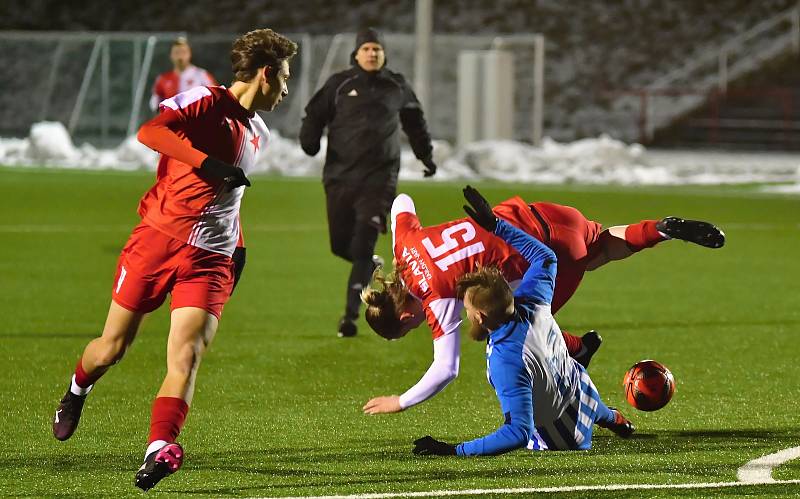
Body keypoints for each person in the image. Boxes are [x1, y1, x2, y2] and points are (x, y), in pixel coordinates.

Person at [51, 29, 297, 491]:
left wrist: (237, 249)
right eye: (284, 78)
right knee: (111, 348)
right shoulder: (205, 100)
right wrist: (206, 161)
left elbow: (228, 202)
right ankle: (77, 388)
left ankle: (157, 449)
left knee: (186, 355)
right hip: (158, 241)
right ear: (265, 74)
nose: (286, 89)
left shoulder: (258, 133)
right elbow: (151, 132)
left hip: (211, 259)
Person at [361, 190, 724, 415]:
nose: (419, 324)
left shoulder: (434, 299)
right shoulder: (403, 244)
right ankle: (659, 229)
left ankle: (577, 350)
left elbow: (446, 369)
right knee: (601, 246)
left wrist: (400, 401)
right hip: (547, 214)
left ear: (405, 313)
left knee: (504, 327)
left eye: (409, 327)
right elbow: (401, 201)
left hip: (548, 253)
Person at [411, 186, 634, 456]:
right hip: (583, 391)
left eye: (467, 308)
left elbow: (518, 432)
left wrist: (455, 450)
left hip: (564, 435)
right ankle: (613, 418)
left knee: (531, 427)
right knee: (573, 381)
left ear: (481, 317)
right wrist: (496, 226)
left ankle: (604, 417)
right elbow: (546, 256)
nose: (465, 313)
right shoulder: (535, 298)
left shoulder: (506, 359)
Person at [299, 27, 437, 338]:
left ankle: (350, 317)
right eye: (366, 49)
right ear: (357, 54)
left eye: (377, 48)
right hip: (339, 177)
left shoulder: (396, 85)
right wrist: (309, 142)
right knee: (340, 246)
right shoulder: (339, 84)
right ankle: (368, 261)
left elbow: (415, 123)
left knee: (361, 247)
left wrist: (426, 156)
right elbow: (314, 114)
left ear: (383, 53)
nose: (372, 53)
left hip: (379, 180)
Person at [149, 37, 217, 112]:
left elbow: (215, 98)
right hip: (171, 121)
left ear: (190, 54)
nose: (180, 56)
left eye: (183, 52)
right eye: (177, 52)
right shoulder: (163, 79)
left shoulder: (202, 76)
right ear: (171, 55)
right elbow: (155, 103)